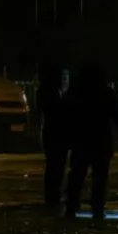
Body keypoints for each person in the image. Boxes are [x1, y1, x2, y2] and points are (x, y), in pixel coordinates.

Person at [65, 65, 118, 220]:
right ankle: (97, 207)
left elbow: (65, 115)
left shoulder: (76, 93)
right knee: (100, 177)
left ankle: (72, 206)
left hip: (81, 140)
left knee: (77, 175)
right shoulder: (106, 93)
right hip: (100, 140)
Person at [37, 65, 70, 211]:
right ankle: (53, 195)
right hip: (56, 133)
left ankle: (52, 195)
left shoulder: (47, 91)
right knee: (56, 165)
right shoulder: (53, 93)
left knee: (53, 165)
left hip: (51, 132)